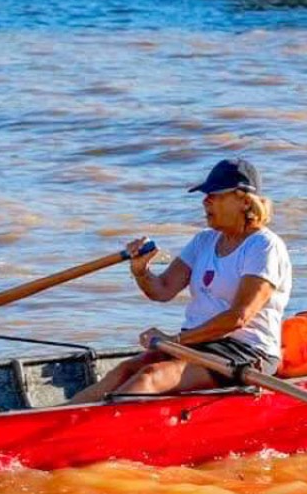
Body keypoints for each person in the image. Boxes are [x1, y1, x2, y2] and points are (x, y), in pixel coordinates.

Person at [69, 158, 291, 403]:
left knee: (150, 377)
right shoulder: (204, 241)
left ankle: (93, 432)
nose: (205, 201)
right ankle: (53, 420)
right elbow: (162, 290)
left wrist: (174, 341)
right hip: (198, 343)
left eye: (214, 195)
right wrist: (141, 271)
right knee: (123, 371)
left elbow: (239, 316)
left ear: (244, 200)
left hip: (246, 351)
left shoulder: (264, 246)